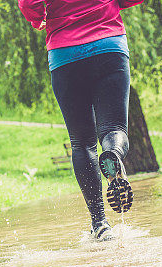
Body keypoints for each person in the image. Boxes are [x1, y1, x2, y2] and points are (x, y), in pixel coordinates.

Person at [18, 0, 142, 241]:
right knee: (114, 129)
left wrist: (38, 18)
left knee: (82, 143)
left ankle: (100, 223)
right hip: (109, 44)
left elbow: (27, 2)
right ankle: (113, 154)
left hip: (65, 54)